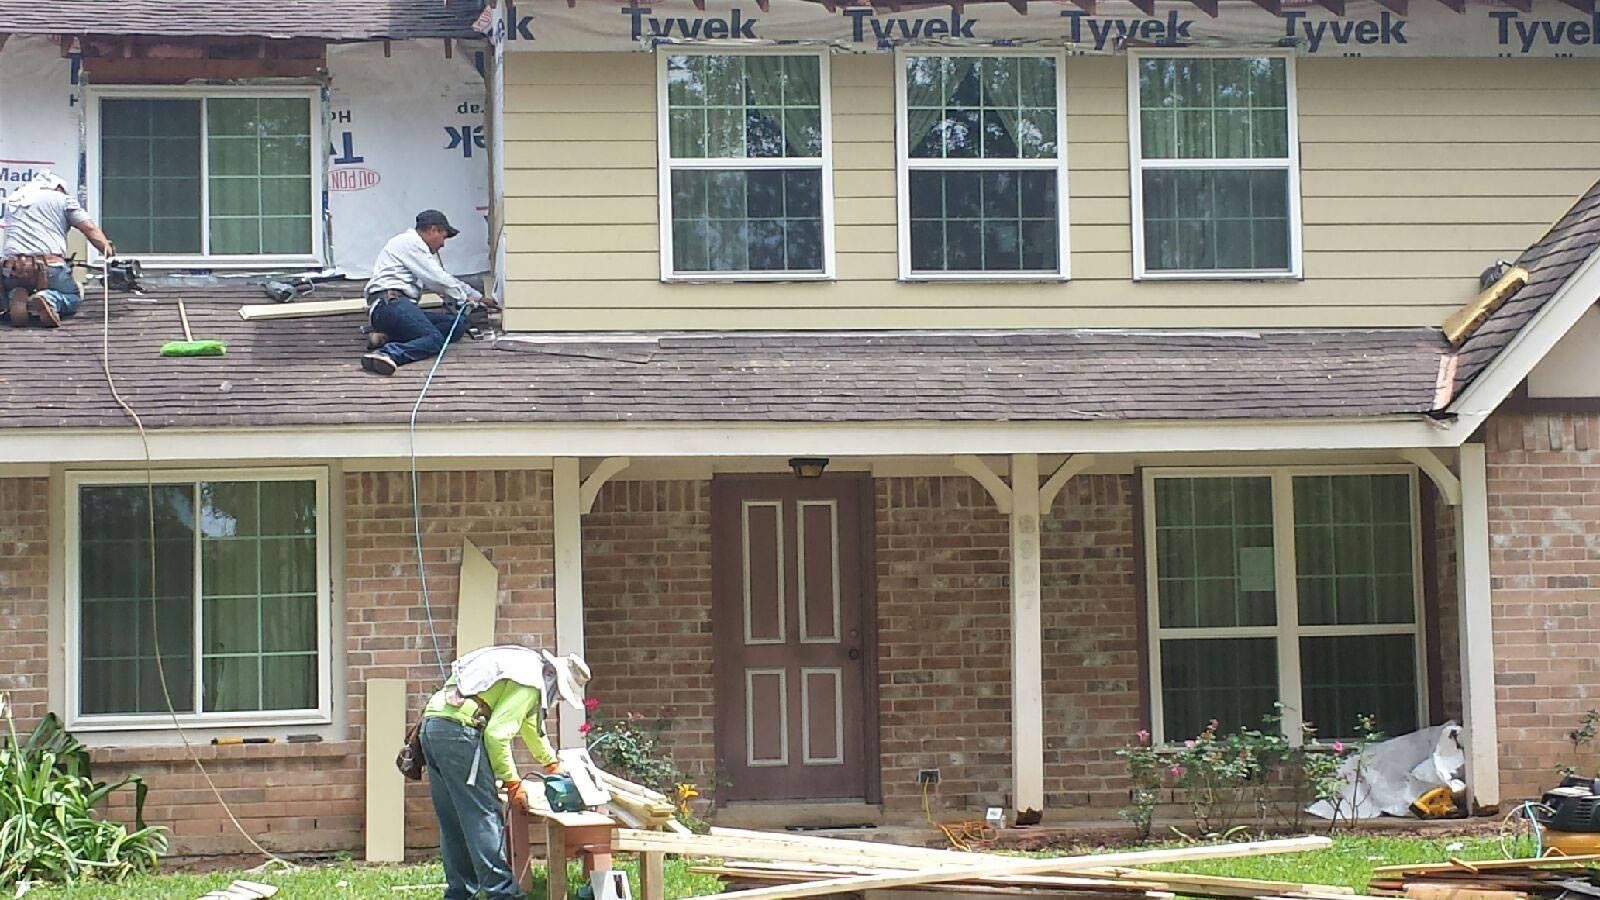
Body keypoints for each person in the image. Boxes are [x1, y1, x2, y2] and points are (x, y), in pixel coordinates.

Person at [420, 645, 590, 900]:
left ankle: (459, 892)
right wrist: (512, 783)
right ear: (554, 679)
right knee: (484, 815)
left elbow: (531, 727)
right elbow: (497, 735)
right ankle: (502, 894)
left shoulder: (524, 666)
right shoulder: (530, 683)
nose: (558, 699)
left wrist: (552, 765)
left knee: (453, 820)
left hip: (433, 727)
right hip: (460, 734)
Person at [361, 209, 492, 376]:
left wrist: (478, 297)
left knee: (456, 325)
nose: (443, 244)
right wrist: (464, 299)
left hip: (394, 308)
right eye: (443, 237)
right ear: (433, 230)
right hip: (391, 304)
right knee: (434, 339)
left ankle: (385, 336)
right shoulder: (411, 243)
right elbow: (439, 280)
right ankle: (388, 353)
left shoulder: (413, 247)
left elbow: (446, 279)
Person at [1, 171, 113, 328]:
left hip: (10, 267)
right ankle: (49, 298)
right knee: (73, 296)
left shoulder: (14, 199)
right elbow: (89, 229)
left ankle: (15, 295)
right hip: (48, 265)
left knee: (10, 284)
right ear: (58, 187)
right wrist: (109, 253)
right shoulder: (63, 199)